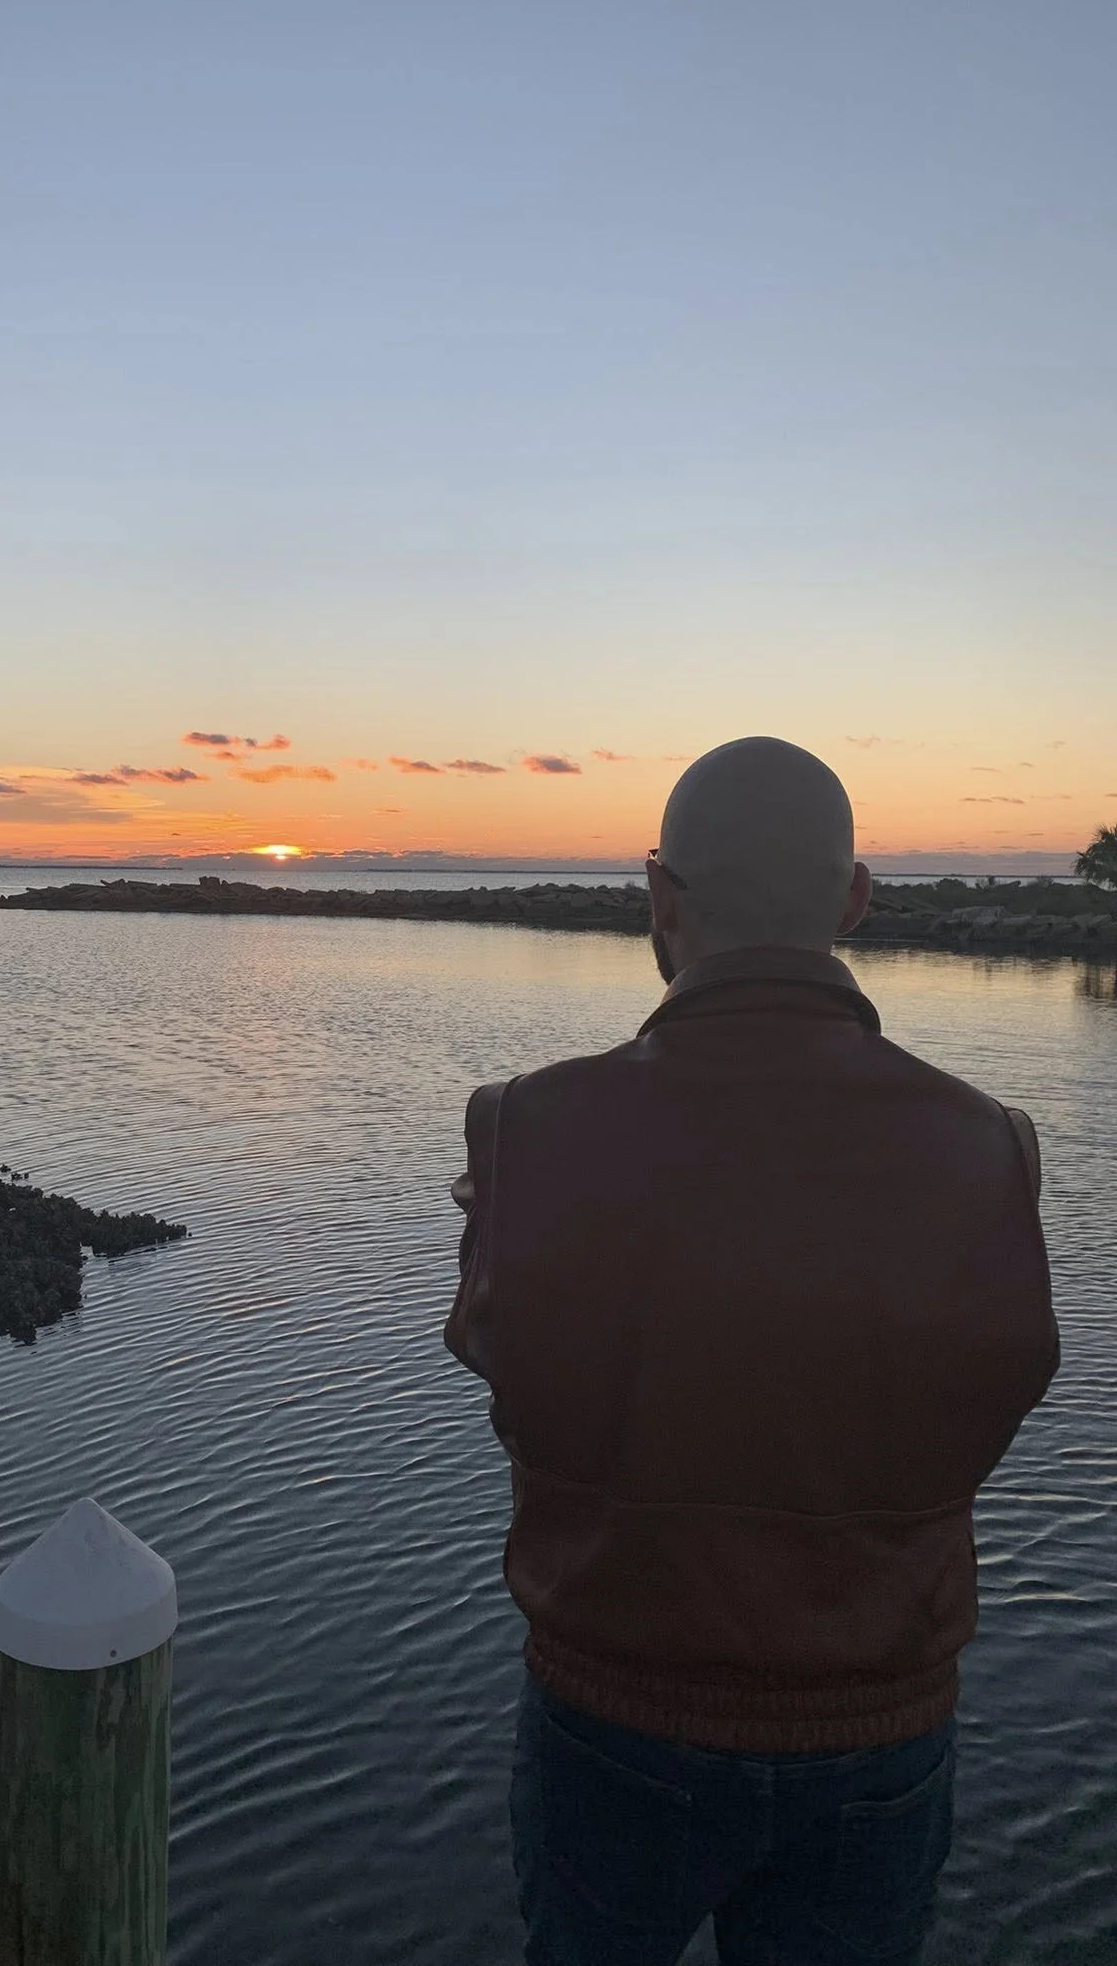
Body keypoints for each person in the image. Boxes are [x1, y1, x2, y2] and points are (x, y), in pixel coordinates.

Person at [446, 736, 1059, 1966]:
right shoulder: (989, 1143)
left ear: (659, 894)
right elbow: (995, 1393)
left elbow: (506, 1367)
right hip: (881, 1729)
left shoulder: (531, 1124)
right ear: (855, 897)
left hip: (610, 1713)